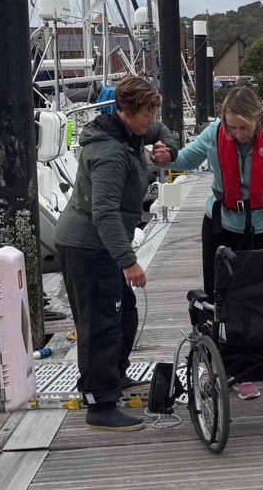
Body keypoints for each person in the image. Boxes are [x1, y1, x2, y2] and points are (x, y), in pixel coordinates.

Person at [151, 86, 263, 400]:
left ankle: (249, 371)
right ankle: (220, 363)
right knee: (221, 299)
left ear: (257, 121)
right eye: (232, 126)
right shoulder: (216, 134)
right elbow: (186, 159)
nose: (238, 133)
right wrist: (167, 157)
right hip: (221, 225)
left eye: (244, 127)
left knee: (257, 299)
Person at [55, 76, 179, 431]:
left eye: (154, 110)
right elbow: (104, 212)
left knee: (124, 317)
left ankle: (115, 377)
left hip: (105, 243)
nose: (151, 119)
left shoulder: (131, 130)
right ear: (126, 111)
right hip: (88, 246)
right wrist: (128, 262)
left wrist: (165, 149)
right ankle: (100, 403)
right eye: (146, 113)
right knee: (100, 326)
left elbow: (161, 130)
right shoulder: (109, 152)